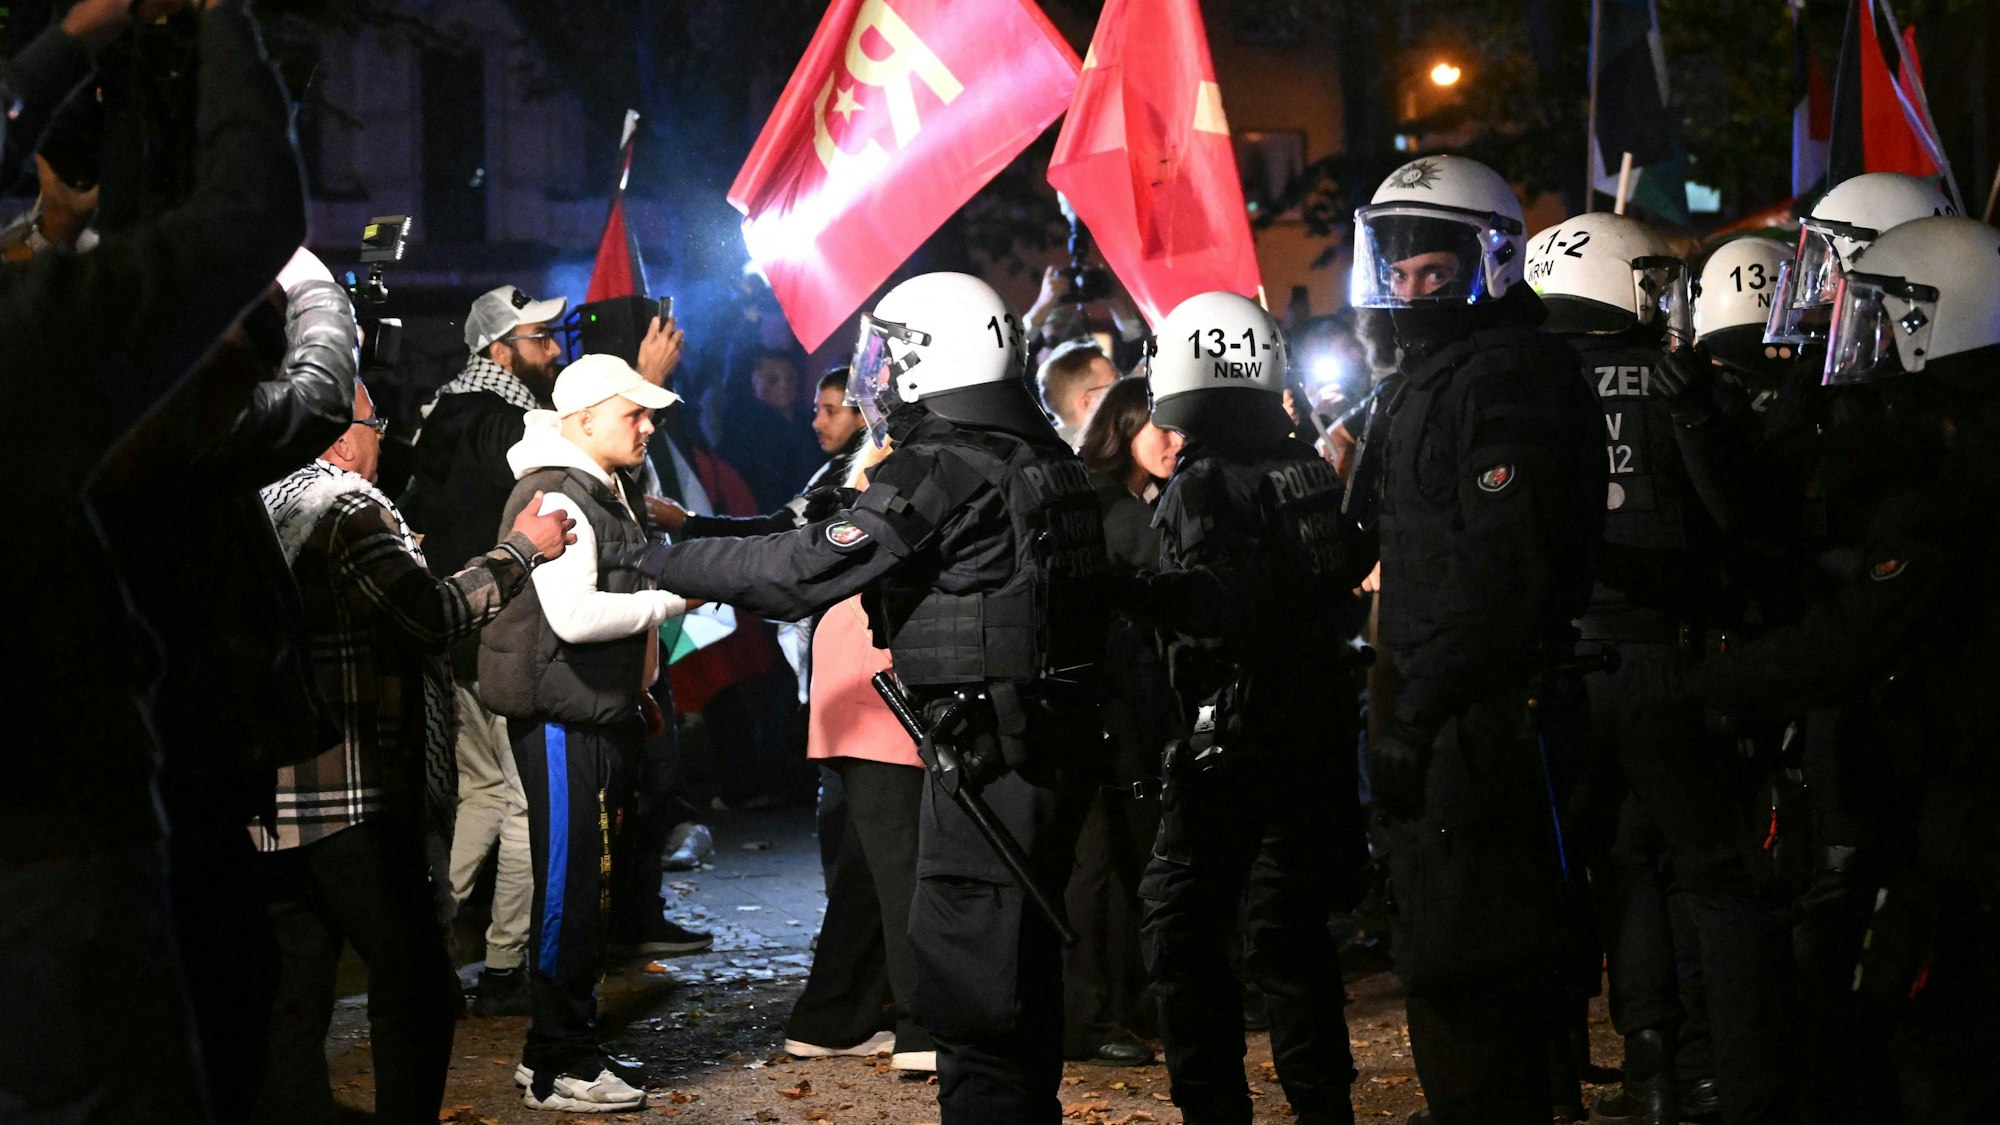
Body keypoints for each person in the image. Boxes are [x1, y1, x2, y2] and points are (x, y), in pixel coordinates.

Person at [623, 271, 1111, 1123]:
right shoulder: (1031, 454)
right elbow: (818, 529)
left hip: (987, 766)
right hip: (1042, 751)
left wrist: (642, 558)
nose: (878, 376)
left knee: (973, 1000)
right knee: (1021, 989)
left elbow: (803, 571)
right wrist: (697, 530)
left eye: (889, 354)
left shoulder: (946, 462)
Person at [1, 1, 310, 1119]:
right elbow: (249, 211)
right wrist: (222, 19)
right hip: (50, 857)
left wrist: (67, 43)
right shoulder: (28, 343)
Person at [1681, 216, 2000, 1123]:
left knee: (1926, 1041)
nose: (1852, 346)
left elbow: (1853, 639)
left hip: (1965, 814)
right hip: (1950, 795)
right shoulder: (1955, 448)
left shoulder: (1954, 477)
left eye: (1883, 317)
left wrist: (1696, 690)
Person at [1349, 155, 1604, 1125]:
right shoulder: (1431, 376)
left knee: (1470, 954)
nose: (1411, 288)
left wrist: (1422, 707)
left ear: (1490, 263)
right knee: (1460, 940)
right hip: (1441, 706)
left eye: (1435, 271)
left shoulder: (1506, 380)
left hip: (1486, 717)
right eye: (1398, 269)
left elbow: (1502, 574)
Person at [252, 378, 576, 1124]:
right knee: (418, 986)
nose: (383, 436)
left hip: (270, 794)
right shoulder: (345, 506)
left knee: (294, 988)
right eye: (374, 421)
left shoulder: (261, 499)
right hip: (351, 790)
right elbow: (429, 615)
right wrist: (521, 549)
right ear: (339, 434)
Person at [1118, 293, 1368, 1125]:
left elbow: (1222, 602)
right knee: (1288, 931)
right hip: (1312, 719)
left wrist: (1140, 594)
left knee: (1183, 932)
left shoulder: (1209, 478)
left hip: (1234, 729)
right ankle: (1323, 1106)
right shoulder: (1297, 458)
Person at [476, 354, 694, 1112]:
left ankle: (569, 1044)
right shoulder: (555, 491)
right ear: (583, 419)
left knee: (587, 887)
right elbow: (574, 616)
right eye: (633, 413)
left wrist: (637, 690)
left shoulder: (599, 486)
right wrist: (670, 603)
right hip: (566, 723)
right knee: (571, 888)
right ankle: (553, 1060)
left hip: (596, 713)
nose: (648, 425)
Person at [1060, 375, 1180, 1068]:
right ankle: (1093, 1013)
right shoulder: (1118, 511)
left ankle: (1111, 1006)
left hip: (1108, 705)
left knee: (1113, 861)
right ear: (1122, 427)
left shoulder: (1108, 499)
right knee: (1103, 863)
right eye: (1156, 426)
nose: (1171, 441)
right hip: (1109, 710)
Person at [1036, 337, 1122, 451]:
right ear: (1087, 403)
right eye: (1115, 386)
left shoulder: (1049, 453)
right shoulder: (1103, 457)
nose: (1124, 390)